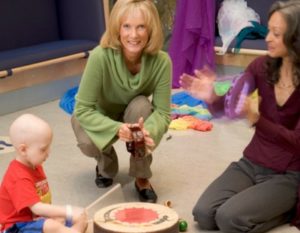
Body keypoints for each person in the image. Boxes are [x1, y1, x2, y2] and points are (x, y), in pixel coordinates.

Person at [180, 0, 300, 232]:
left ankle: (286, 207)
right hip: (252, 162)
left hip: (288, 174)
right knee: (204, 214)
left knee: (228, 219)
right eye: (269, 31)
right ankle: (265, 205)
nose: (267, 38)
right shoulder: (259, 66)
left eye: (276, 33)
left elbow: (296, 142)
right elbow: (231, 100)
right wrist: (212, 96)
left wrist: (258, 120)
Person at [71, 0, 171, 203]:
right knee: (87, 140)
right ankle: (105, 160)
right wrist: (117, 129)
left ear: (150, 29)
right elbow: (82, 109)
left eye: (141, 27)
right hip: (100, 113)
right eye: (127, 26)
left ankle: (142, 175)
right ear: (117, 27)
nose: (133, 35)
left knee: (142, 105)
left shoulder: (162, 62)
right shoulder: (100, 56)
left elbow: (162, 113)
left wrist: (147, 132)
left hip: (134, 113)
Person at [0, 114, 87, 233]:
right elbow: (37, 208)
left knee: (64, 220)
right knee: (53, 225)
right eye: (43, 149)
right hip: (15, 228)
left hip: (34, 220)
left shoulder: (35, 165)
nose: (48, 153)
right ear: (23, 150)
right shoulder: (19, 177)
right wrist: (69, 211)